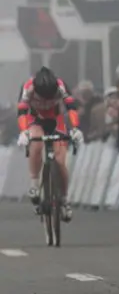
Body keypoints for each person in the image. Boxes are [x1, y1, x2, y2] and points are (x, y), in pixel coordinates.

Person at [16, 67, 84, 221]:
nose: (46, 100)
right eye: (43, 97)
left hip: (55, 119)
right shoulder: (28, 87)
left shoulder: (61, 86)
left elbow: (71, 108)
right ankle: (34, 184)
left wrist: (75, 129)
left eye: (50, 97)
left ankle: (65, 200)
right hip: (35, 119)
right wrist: (23, 131)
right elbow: (21, 111)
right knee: (36, 142)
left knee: (60, 162)